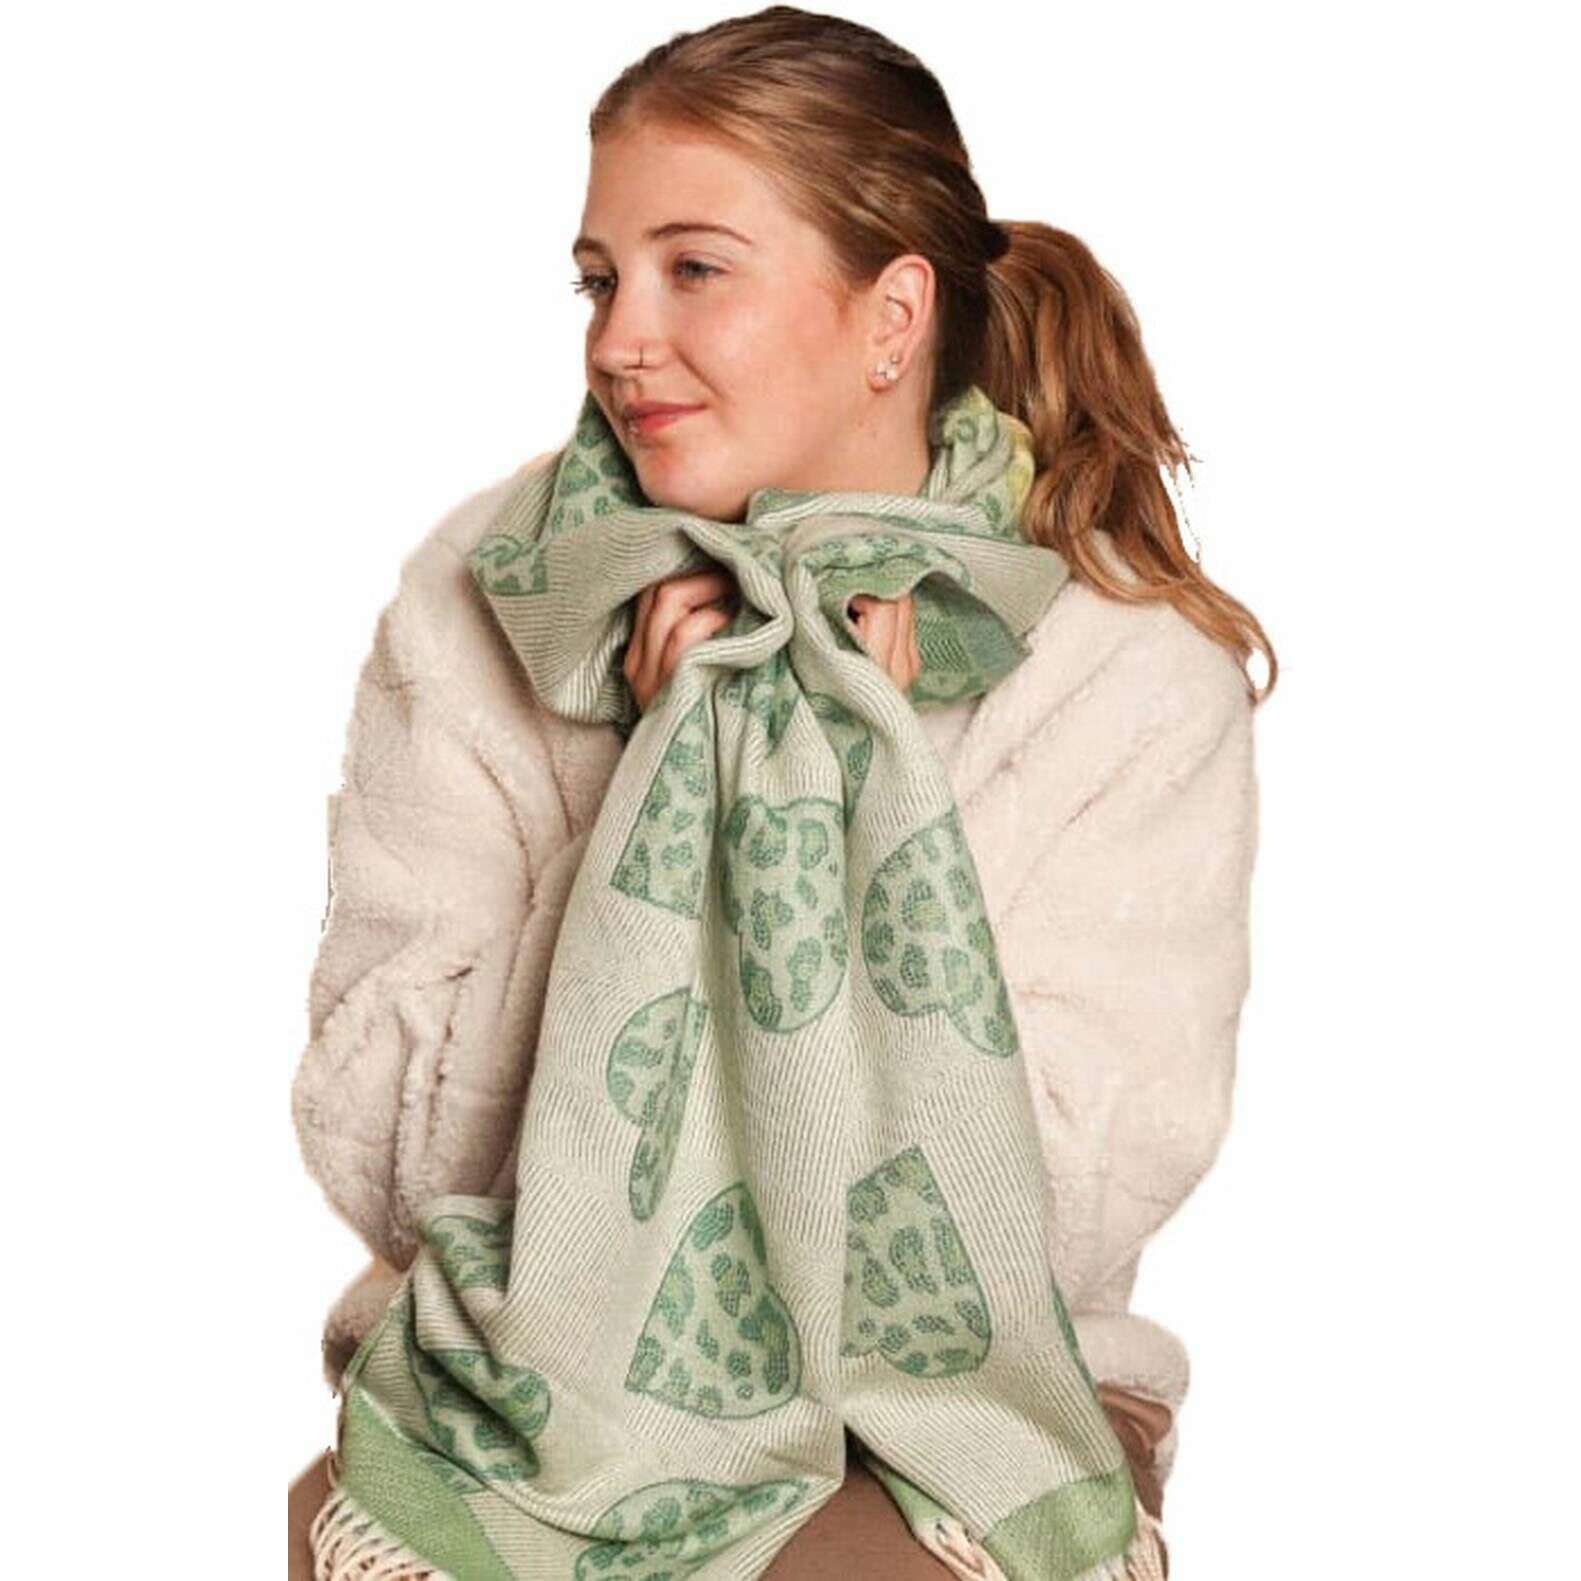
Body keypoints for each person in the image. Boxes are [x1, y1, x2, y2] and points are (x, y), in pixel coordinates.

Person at [290, 8, 1274, 1577]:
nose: (619, 338)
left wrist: (849, 793)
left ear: (892, 316)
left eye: (694, 268)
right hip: (521, 1376)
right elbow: (379, 1141)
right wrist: (654, 786)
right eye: (600, 277)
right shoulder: (498, 590)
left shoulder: (1118, 659)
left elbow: (1073, 1200)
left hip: (968, 1403)